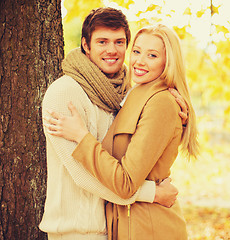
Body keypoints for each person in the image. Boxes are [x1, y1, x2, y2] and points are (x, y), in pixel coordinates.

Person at [39, 8, 188, 240]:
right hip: (77, 230)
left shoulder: (128, 91)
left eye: (119, 42)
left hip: (117, 226)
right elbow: (82, 175)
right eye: (102, 42)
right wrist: (153, 193)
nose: (112, 50)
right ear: (85, 45)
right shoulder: (64, 93)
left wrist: (176, 119)